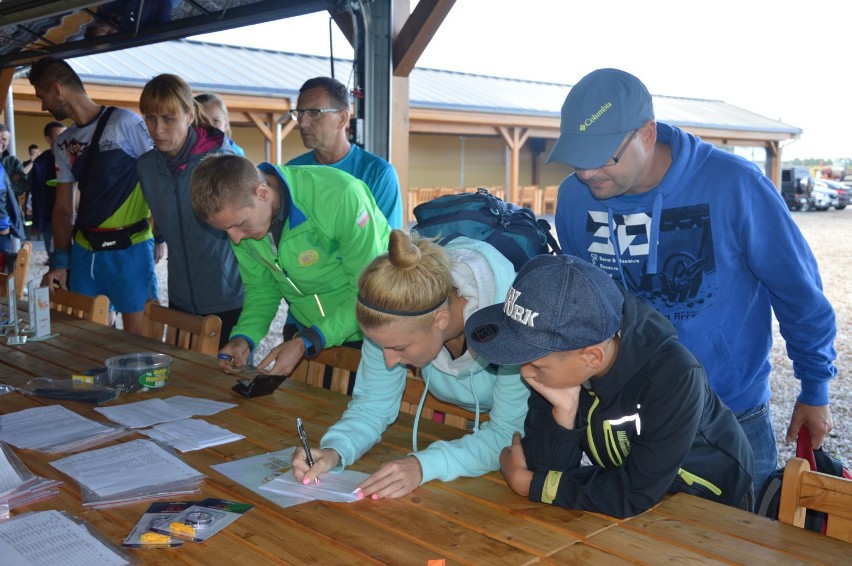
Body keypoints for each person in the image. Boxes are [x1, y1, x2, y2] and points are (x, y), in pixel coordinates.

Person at [547, 68, 837, 497]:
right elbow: (582, 303)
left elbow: (798, 292)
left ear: (647, 134)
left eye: (603, 156)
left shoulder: (734, 185)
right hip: (630, 415)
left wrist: (815, 388)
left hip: (730, 415)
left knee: (741, 547)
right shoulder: (574, 198)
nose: (587, 174)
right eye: (578, 158)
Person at [464, 254, 755, 518]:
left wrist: (529, 485)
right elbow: (546, 469)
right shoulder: (556, 365)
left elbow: (632, 493)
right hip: (638, 508)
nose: (525, 372)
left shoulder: (673, 379)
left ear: (592, 357)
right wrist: (563, 412)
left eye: (536, 365)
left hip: (712, 509)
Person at [291, 229, 529, 499]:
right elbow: (372, 407)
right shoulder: (393, 322)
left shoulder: (512, 326)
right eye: (382, 346)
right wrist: (335, 450)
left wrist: (422, 465)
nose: (389, 360)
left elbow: (507, 436)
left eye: (399, 348)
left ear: (440, 320)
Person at [190, 154, 390, 376]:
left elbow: (369, 292)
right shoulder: (241, 225)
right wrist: (243, 337)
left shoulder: (341, 196)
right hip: (308, 332)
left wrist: (310, 339)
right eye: (226, 230)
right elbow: (262, 289)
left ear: (263, 193)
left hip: (372, 334)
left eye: (239, 225)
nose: (235, 239)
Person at [28, 56, 158, 334]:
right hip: (86, 251)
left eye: (42, 96)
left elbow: (159, 179)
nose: (43, 106)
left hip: (131, 246)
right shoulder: (64, 142)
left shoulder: (126, 122)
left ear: (57, 89)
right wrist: (60, 262)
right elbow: (63, 209)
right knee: (85, 339)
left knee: (142, 343)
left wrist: (162, 236)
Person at [138, 74, 243, 346]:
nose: (158, 129)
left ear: (189, 115)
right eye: (150, 118)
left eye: (168, 118)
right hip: (180, 296)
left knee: (227, 382)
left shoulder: (223, 162)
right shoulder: (147, 167)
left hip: (227, 295)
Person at [287, 77, 403, 229]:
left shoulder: (378, 174)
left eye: (314, 113)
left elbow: (390, 244)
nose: (302, 123)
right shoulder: (292, 171)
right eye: (300, 113)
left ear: (342, 118)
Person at [28, 121, 67, 261]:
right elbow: (35, 194)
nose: (64, 140)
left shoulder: (74, 159)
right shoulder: (40, 163)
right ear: (48, 139)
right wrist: (36, 221)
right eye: (59, 137)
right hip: (49, 219)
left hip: (72, 218)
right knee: (55, 259)